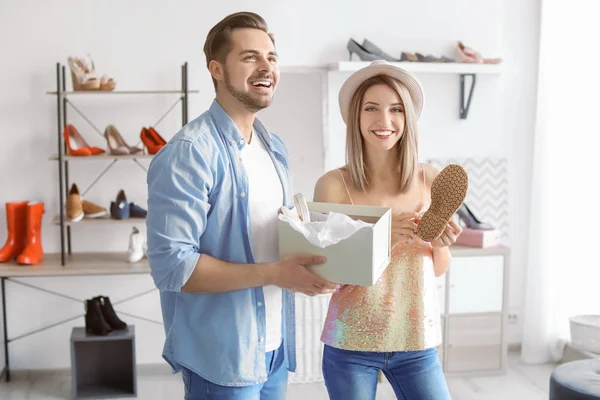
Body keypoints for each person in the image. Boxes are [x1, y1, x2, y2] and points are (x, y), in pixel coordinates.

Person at [145, 11, 337, 400]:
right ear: (217, 69)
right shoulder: (190, 153)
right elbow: (173, 266)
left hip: (274, 351)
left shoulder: (272, 147)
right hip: (223, 358)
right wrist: (274, 273)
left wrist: (320, 257)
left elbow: (269, 237)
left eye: (272, 56)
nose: (266, 66)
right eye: (250, 57)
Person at [313, 60, 462, 400]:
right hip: (350, 342)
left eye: (396, 109)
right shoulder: (334, 186)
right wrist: (379, 235)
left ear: (408, 118)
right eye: (371, 109)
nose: (384, 121)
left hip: (416, 342)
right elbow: (326, 276)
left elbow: (436, 269)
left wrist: (439, 242)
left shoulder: (430, 179)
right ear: (356, 117)